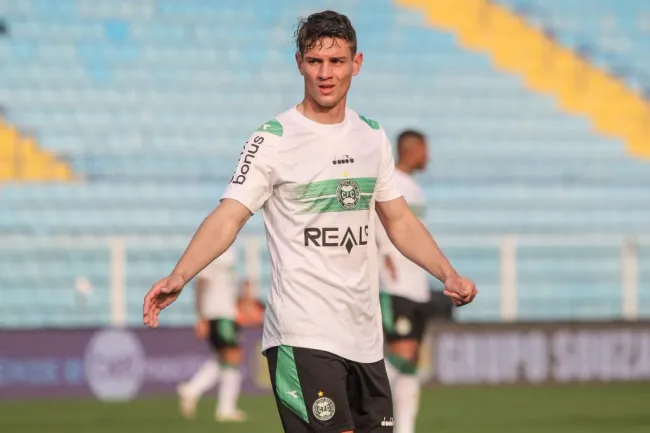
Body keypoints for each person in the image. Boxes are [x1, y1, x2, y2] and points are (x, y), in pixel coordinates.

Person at [143, 10, 477, 433]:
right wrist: (180, 274)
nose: (326, 73)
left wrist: (447, 273)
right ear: (299, 62)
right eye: (315, 61)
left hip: (364, 336)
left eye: (337, 62)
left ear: (356, 64)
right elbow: (229, 215)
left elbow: (399, 220)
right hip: (302, 334)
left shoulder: (371, 136)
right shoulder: (273, 140)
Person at [375, 130, 431, 433]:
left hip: (417, 286)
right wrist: (381, 258)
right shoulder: (390, 182)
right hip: (394, 285)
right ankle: (358, 401)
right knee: (401, 352)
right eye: (425, 150)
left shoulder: (416, 189)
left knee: (412, 362)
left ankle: (405, 428)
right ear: (413, 149)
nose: (429, 157)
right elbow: (374, 223)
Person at [176, 246, 249, 422]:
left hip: (228, 313)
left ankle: (192, 390)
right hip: (217, 313)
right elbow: (201, 282)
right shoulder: (213, 249)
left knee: (225, 358)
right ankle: (225, 408)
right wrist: (200, 317)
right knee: (232, 357)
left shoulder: (231, 251)